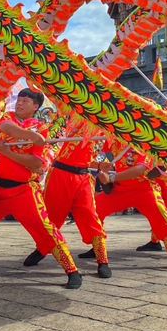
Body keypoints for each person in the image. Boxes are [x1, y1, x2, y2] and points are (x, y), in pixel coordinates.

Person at [0, 88, 82, 289]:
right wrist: (31, 137)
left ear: (36, 107)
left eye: (26, 101)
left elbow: (36, 164)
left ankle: (72, 270)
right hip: (0, 190)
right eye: (19, 99)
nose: (20, 103)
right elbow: (7, 128)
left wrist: (9, 152)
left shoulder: (43, 129)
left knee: (47, 231)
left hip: (25, 191)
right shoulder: (7, 118)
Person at [23, 119, 111, 278]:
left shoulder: (107, 130)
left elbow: (92, 158)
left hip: (83, 177)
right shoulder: (69, 116)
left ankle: (103, 260)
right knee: (52, 217)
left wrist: (100, 166)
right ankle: (43, 248)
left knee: (90, 217)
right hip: (59, 174)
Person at [92, 145, 167, 271]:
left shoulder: (144, 143)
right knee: (94, 212)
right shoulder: (115, 139)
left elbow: (140, 169)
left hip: (144, 189)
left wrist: (112, 177)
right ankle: (100, 256)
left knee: (162, 217)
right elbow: (100, 156)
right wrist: (101, 168)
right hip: (120, 190)